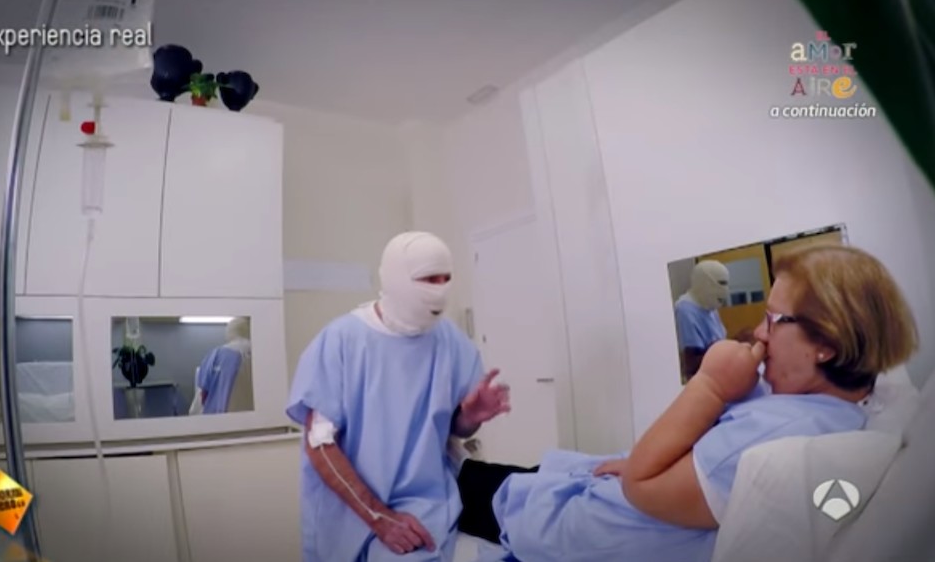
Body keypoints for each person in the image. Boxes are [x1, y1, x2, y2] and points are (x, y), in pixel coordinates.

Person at [456, 244, 918, 562]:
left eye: (774, 320)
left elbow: (641, 486)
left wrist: (710, 385)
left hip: (579, 523)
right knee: (471, 476)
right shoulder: (820, 404)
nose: (761, 334)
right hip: (596, 486)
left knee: (459, 489)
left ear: (827, 346)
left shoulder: (779, 435)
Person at [286, 231, 511, 562]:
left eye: (446, 278)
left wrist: (469, 417)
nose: (439, 289)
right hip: (349, 510)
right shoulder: (342, 341)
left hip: (425, 504)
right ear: (395, 277)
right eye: (428, 279)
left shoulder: (450, 341)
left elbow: (456, 428)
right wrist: (379, 517)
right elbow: (320, 444)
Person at [674, 259, 731, 381]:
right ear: (705, 283)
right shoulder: (685, 310)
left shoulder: (709, 305)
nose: (726, 290)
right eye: (721, 283)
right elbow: (691, 364)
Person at [188, 316, 253, 415]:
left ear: (229, 333)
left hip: (222, 419)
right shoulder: (264, 354)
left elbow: (199, 403)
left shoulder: (215, 356)